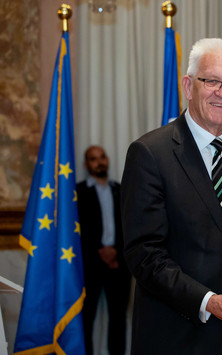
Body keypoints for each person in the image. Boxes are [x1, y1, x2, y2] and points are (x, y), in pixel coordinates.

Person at [121, 38, 222, 355]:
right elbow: (144, 254)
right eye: (212, 80)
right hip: (178, 335)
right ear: (188, 86)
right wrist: (207, 301)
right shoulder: (150, 153)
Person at [77, 145, 131, 355]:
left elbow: (128, 225)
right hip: (90, 265)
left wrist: (116, 252)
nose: (99, 162)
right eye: (93, 159)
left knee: (118, 318)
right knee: (86, 318)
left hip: (119, 264)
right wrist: (102, 252)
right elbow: (79, 230)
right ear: (86, 164)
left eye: (102, 157)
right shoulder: (78, 192)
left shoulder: (120, 189)